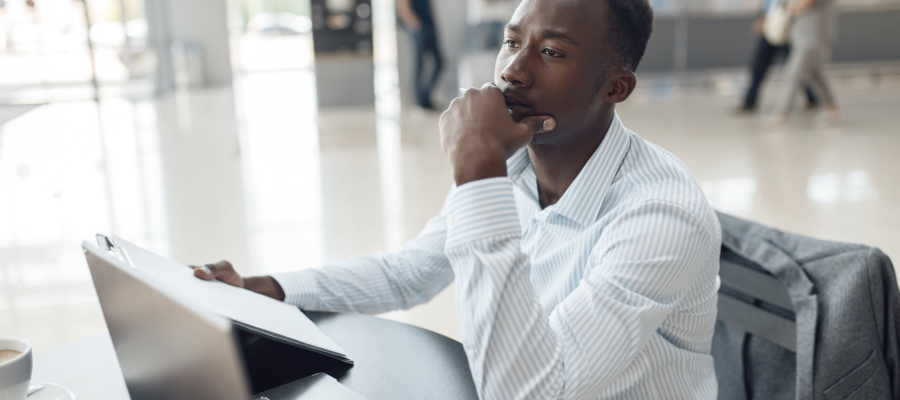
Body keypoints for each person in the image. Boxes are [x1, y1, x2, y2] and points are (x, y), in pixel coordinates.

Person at [194, 0, 722, 397]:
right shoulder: (517, 162)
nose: (513, 71)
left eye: (552, 52)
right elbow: (409, 272)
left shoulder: (660, 215)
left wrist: (477, 168)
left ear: (617, 87)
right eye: (512, 42)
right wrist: (269, 288)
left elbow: (534, 391)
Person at [737, 0, 819, 113]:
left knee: (795, 67)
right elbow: (768, 4)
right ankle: (749, 102)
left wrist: (791, 13)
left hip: (787, 28)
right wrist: (762, 18)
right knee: (758, 66)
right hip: (771, 26)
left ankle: (811, 97)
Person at [775, 0, 840, 122]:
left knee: (793, 73)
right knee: (816, 73)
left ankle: (782, 113)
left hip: (812, 37)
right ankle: (833, 108)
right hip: (803, 35)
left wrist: (791, 10)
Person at [397, 0, 443, 109]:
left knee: (439, 62)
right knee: (419, 64)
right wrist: (415, 23)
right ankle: (420, 101)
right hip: (419, 27)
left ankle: (425, 98)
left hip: (430, 25)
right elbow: (403, 6)